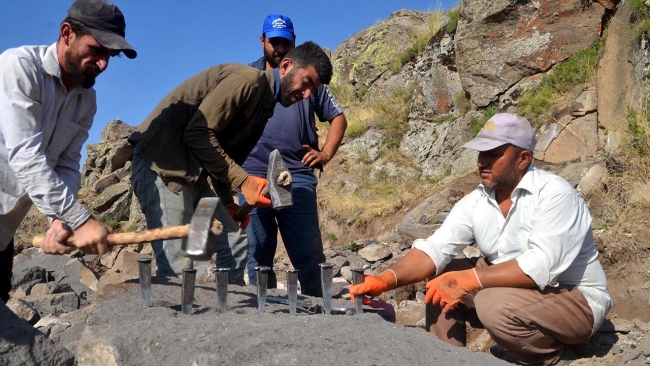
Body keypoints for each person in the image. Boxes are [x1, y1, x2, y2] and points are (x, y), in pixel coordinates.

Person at [350, 113, 612, 365]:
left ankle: (547, 356)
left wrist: (469, 280)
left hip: (574, 299)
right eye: (480, 153)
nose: (480, 162)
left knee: (488, 301)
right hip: (518, 292)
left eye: (493, 154)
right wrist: (385, 280)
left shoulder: (556, 195)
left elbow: (541, 266)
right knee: (445, 273)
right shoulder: (477, 201)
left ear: (523, 158)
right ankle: (445, 357)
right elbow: (436, 248)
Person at [128, 41, 333, 285]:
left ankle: (230, 319)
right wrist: (244, 181)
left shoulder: (264, 105)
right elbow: (198, 133)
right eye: (307, 82)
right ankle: (174, 321)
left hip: (194, 175)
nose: (307, 94)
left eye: (313, 89)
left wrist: (227, 201)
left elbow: (222, 153)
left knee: (234, 245)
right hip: (163, 168)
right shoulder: (248, 81)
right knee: (178, 266)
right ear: (286, 66)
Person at [0, 0, 137, 303]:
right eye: (98, 49)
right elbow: (25, 156)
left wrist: (60, 221)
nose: (103, 64)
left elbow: (67, 164)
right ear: (67, 33)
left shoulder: (85, 101)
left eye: (109, 56)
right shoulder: (19, 67)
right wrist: (80, 220)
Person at [239, 14, 347, 296]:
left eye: (285, 42)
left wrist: (325, 154)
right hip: (252, 177)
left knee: (309, 256)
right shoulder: (249, 77)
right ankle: (266, 319)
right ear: (262, 41)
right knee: (258, 258)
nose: (279, 48)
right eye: (274, 42)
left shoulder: (308, 80)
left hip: (296, 175)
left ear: (293, 43)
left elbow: (338, 118)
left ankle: (319, 317)